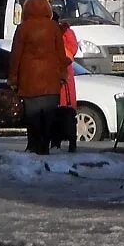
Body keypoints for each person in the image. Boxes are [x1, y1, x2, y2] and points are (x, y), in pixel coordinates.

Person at [8, 0, 71, 155]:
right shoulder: (53, 28)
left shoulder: (23, 29)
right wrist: (63, 74)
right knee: (48, 117)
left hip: (29, 81)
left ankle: (33, 144)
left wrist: (13, 78)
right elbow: (60, 54)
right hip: (51, 81)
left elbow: (16, 55)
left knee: (32, 117)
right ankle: (45, 145)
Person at [51, 10, 79, 152]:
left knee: (61, 111)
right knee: (66, 111)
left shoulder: (63, 33)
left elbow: (68, 53)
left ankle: (59, 141)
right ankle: (66, 141)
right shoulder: (66, 33)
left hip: (60, 77)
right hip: (63, 77)